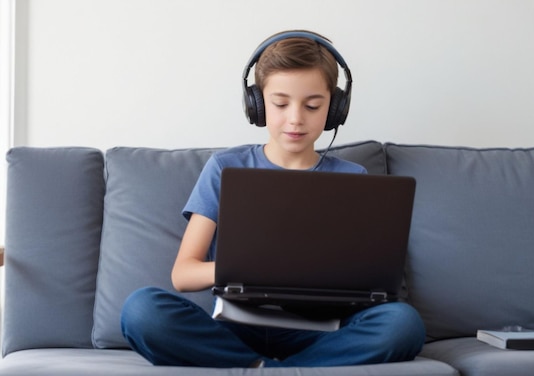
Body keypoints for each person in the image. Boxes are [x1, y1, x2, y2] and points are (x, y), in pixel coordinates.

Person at [120, 30, 426, 368]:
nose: (296, 118)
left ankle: (259, 369)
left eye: (313, 105)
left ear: (336, 108)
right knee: (142, 310)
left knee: (403, 324)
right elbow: (184, 274)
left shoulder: (353, 178)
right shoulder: (225, 167)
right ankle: (290, 369)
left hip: (320, 331)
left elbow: (368, 283)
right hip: (235, 328)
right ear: (257, 104)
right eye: (280, 104)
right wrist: (258, 267)